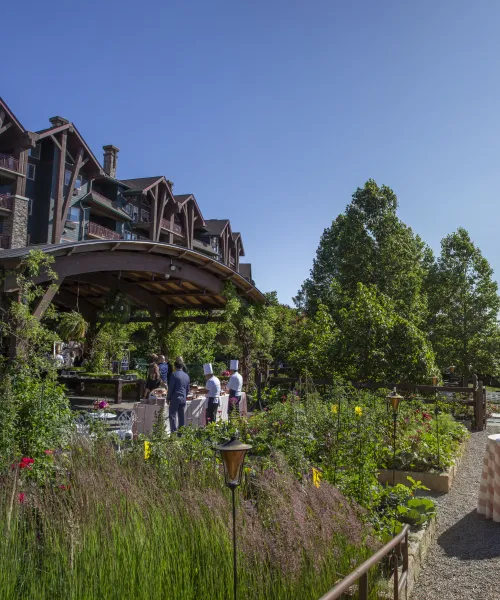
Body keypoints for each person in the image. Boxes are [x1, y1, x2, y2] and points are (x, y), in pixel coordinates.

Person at [167, 358, 190, 434]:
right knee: (181, 416)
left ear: (175, 366)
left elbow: (171, 388)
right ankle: (181, 433)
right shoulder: (186, 375)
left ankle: (173, 433)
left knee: (172, 415)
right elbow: (188, 389)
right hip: (183, 398)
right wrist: (185, 396)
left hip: (175, 397)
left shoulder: (174, 374)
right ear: (182, 366)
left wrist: (168, 397)